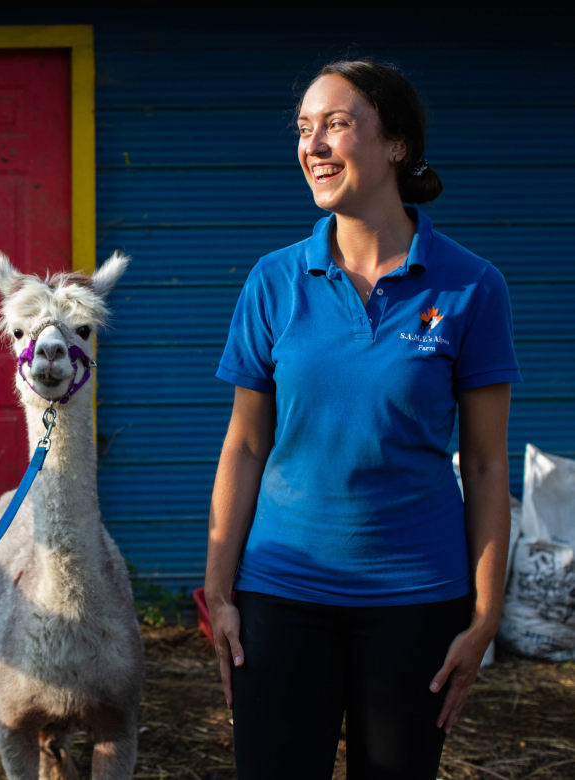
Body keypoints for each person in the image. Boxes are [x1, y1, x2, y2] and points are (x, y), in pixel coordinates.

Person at [205, 60, 520, 778]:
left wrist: (484, 616)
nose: (312, 144)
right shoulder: (274, 280)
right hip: (279, 596)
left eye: (337, 124)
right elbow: (246, 444)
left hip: (417, 603)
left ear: (397, 145)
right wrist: (219, 594)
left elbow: (487, 463)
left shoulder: (472, 286)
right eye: (303, 128)